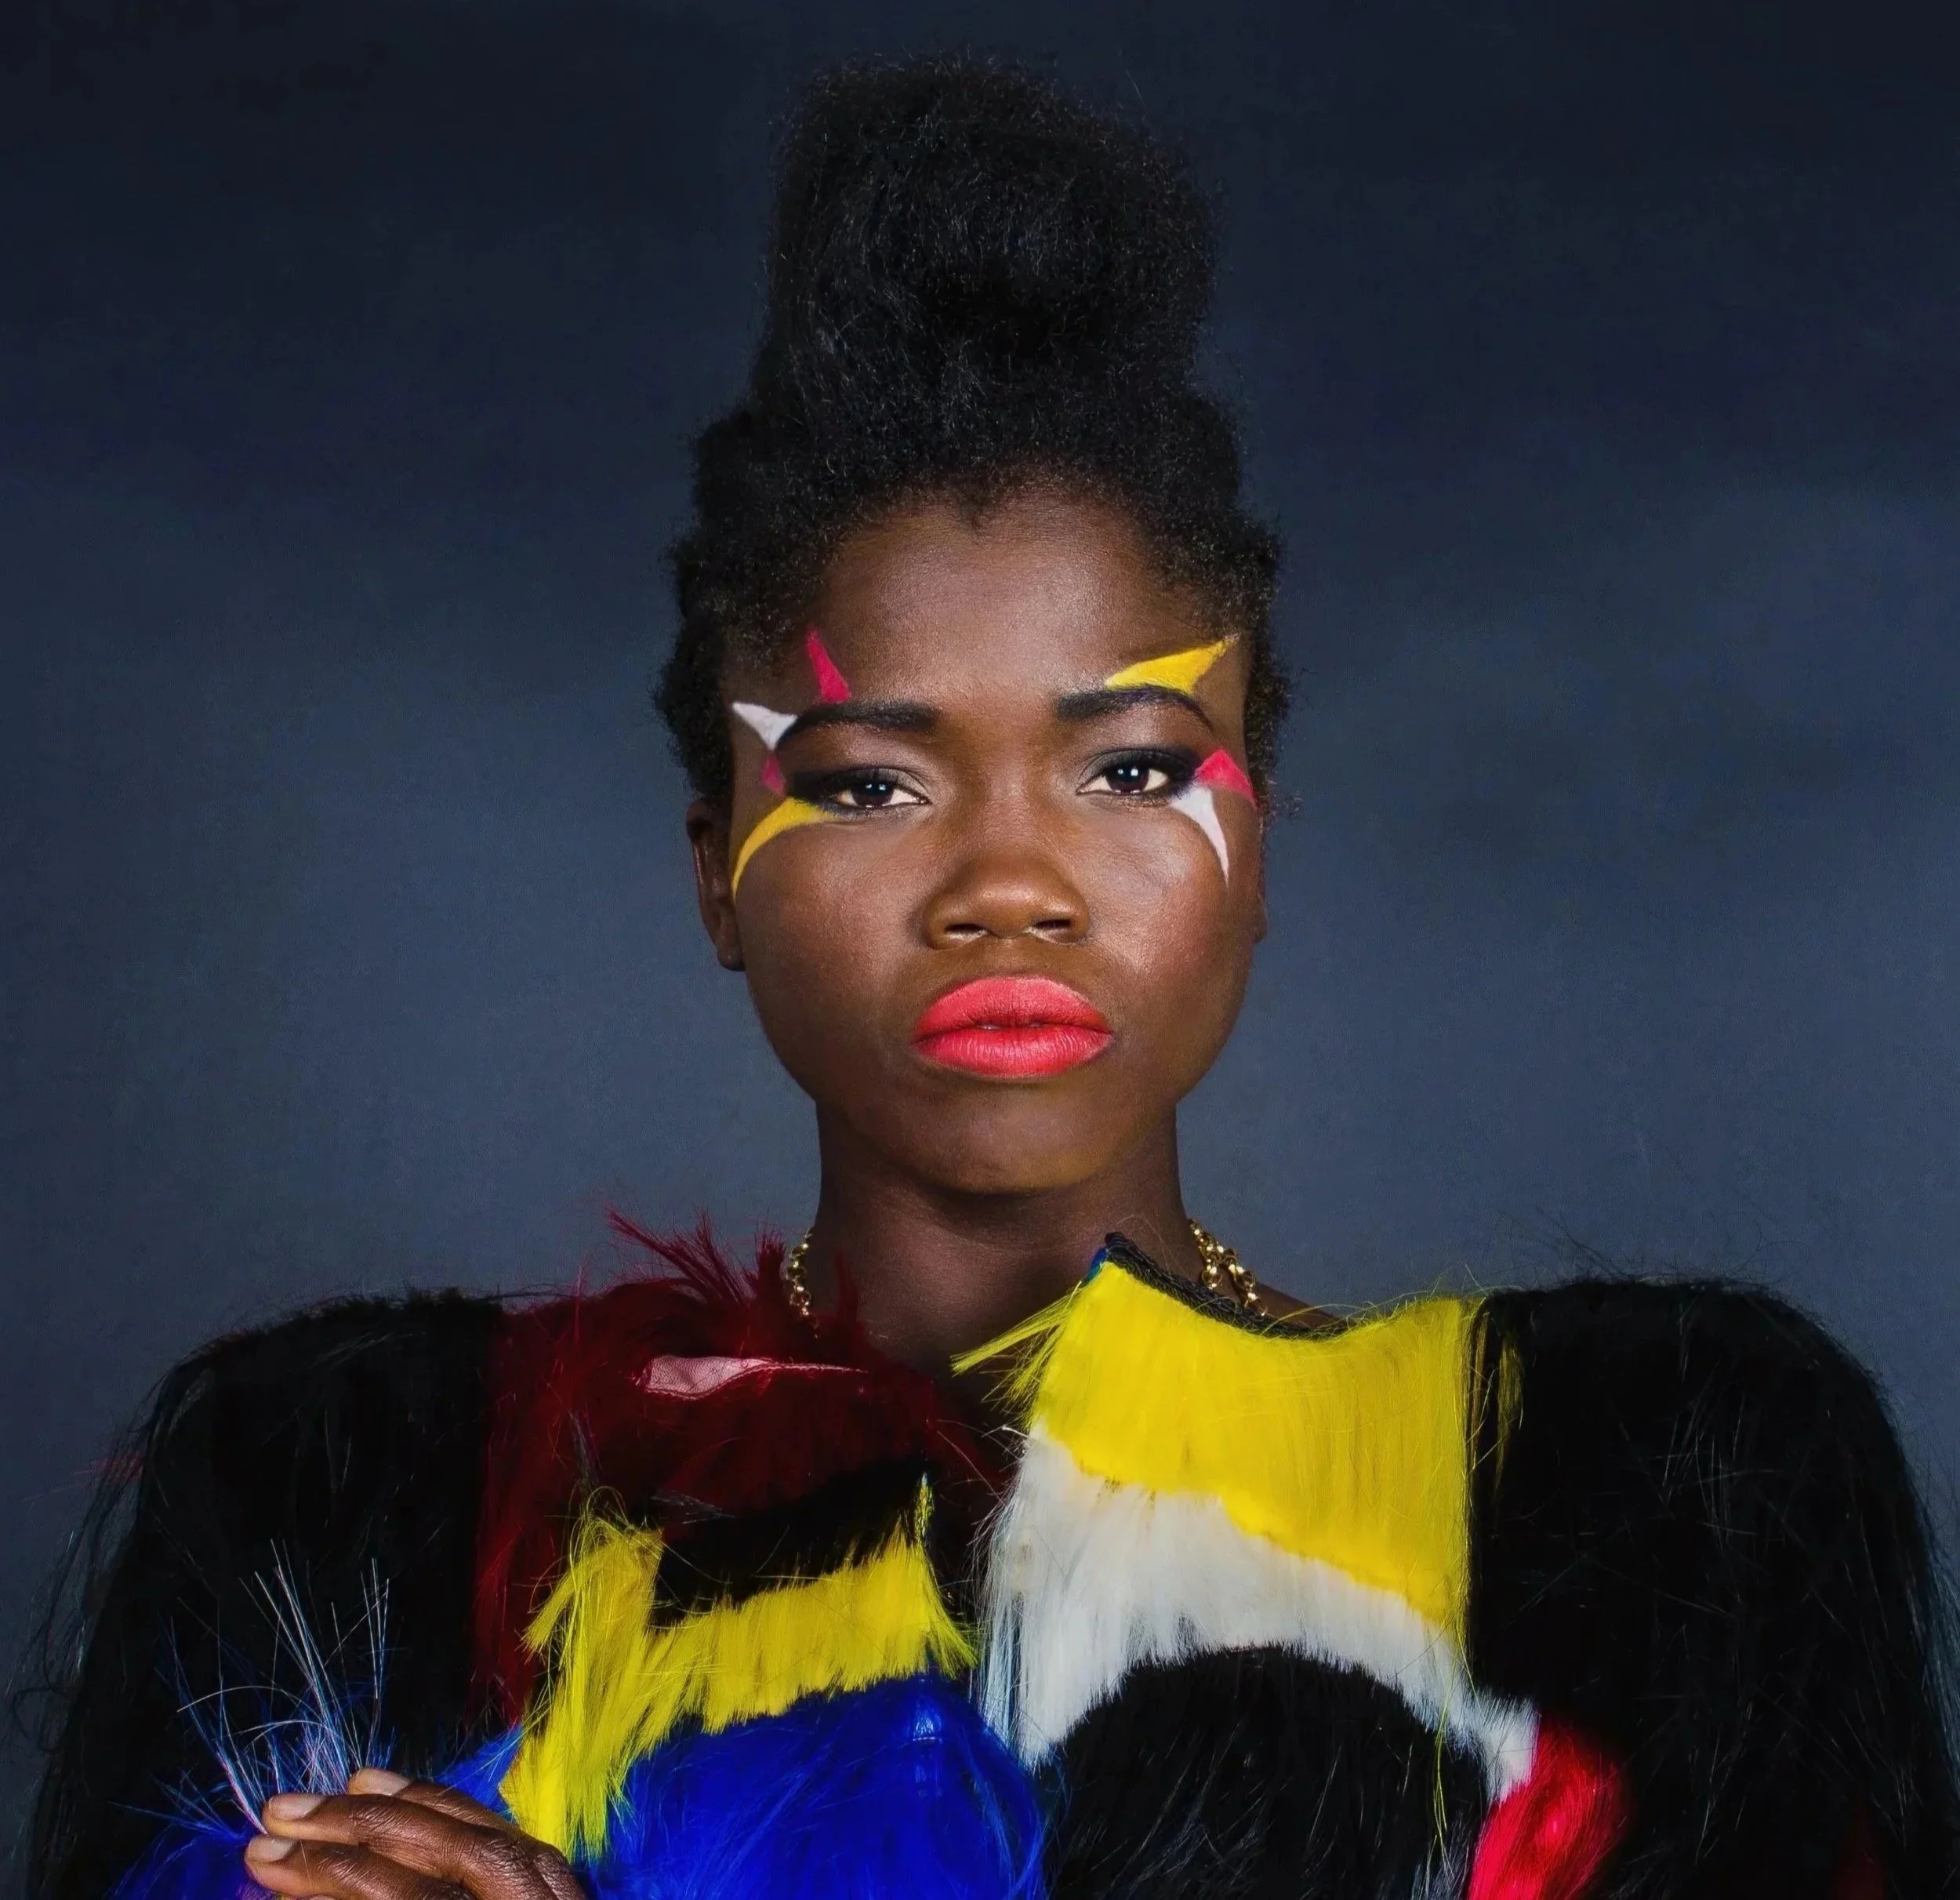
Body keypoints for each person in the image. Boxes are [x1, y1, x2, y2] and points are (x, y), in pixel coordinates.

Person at [25, 55, 1959, 1900]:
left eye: (1128, 767)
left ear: (1257, 837)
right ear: (715, 871)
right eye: (869, 779)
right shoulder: (386, 1508)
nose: (1008, 883)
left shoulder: (1617, 1530)